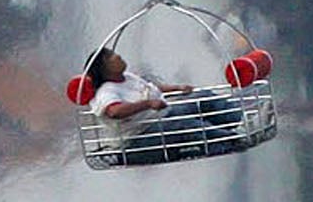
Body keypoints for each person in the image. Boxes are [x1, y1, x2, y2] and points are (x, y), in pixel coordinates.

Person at [84, 45, 219, 164]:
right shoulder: (106, 91)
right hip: (141, 139)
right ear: (103, 70)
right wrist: (148, 104)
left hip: (162, 118)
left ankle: (234, 121)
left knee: (201, 98)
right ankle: (225, 142)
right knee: (184, 125)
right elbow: (114, 111)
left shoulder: (128, 77)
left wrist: (177, 88)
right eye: (110, 57)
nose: (117, 56)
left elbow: (150, 88)